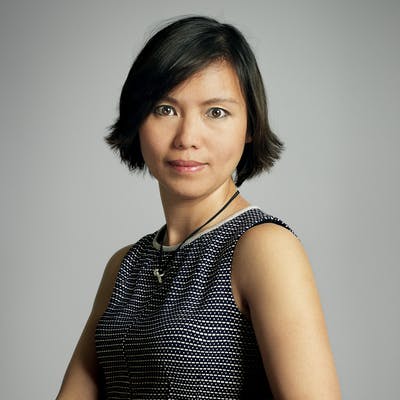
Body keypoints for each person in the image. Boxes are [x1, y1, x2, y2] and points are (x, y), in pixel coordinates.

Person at [56, 16, 341, 399]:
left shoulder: (263, 249)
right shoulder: (124, 265)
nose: (187, 137)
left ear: (250, 125)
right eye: (165, 109)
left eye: (216, 112)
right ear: (137, 119)